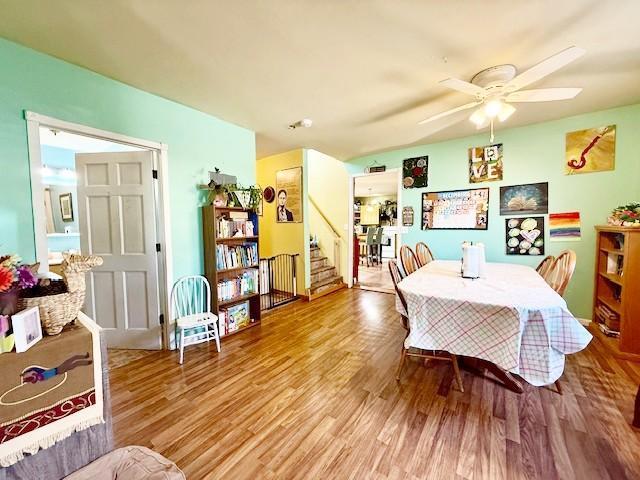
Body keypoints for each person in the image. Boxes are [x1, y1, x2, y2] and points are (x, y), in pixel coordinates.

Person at [21, 352, 92, 384]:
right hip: (59, 370)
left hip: (58, 369)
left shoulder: (40, 376)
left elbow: (33, 372)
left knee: (72, 361)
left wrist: (25, 375)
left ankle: (85, 358)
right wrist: (26, 378)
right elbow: (34, 374)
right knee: (74, 363)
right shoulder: (40, 377)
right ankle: (87, 361)